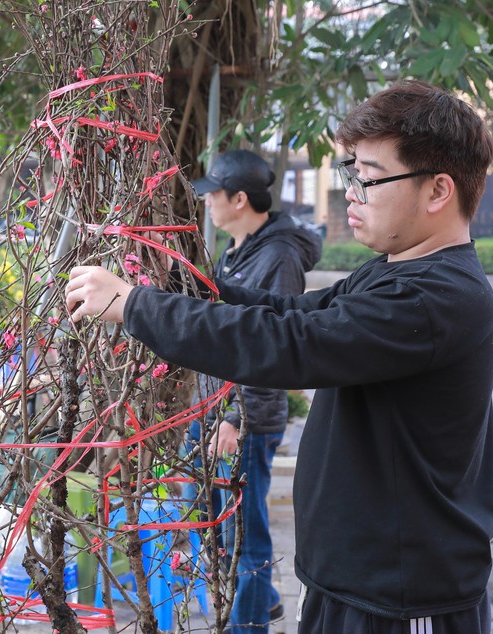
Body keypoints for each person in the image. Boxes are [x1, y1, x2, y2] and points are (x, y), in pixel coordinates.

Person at [65, 80, 493, 634]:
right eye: (351, 177)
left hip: (402, 598)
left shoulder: (437, 297)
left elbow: (288, 346)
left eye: (366, 179)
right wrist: (177, 282)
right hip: (357, 582)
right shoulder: (394, 271)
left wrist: (135, 307)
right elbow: (287, 313)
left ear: (438, 190)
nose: (351, 194)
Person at [187, 149, 322, 633]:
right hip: (213, 409)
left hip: (241, 420)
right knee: (212, 525)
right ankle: (258, 605)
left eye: (214, 195)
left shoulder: (279, 257)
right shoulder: (238, 249)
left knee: (244, 536)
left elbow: (273, 345)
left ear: (240, 198)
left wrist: (235, 418)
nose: (207, 204)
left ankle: (250, 625)